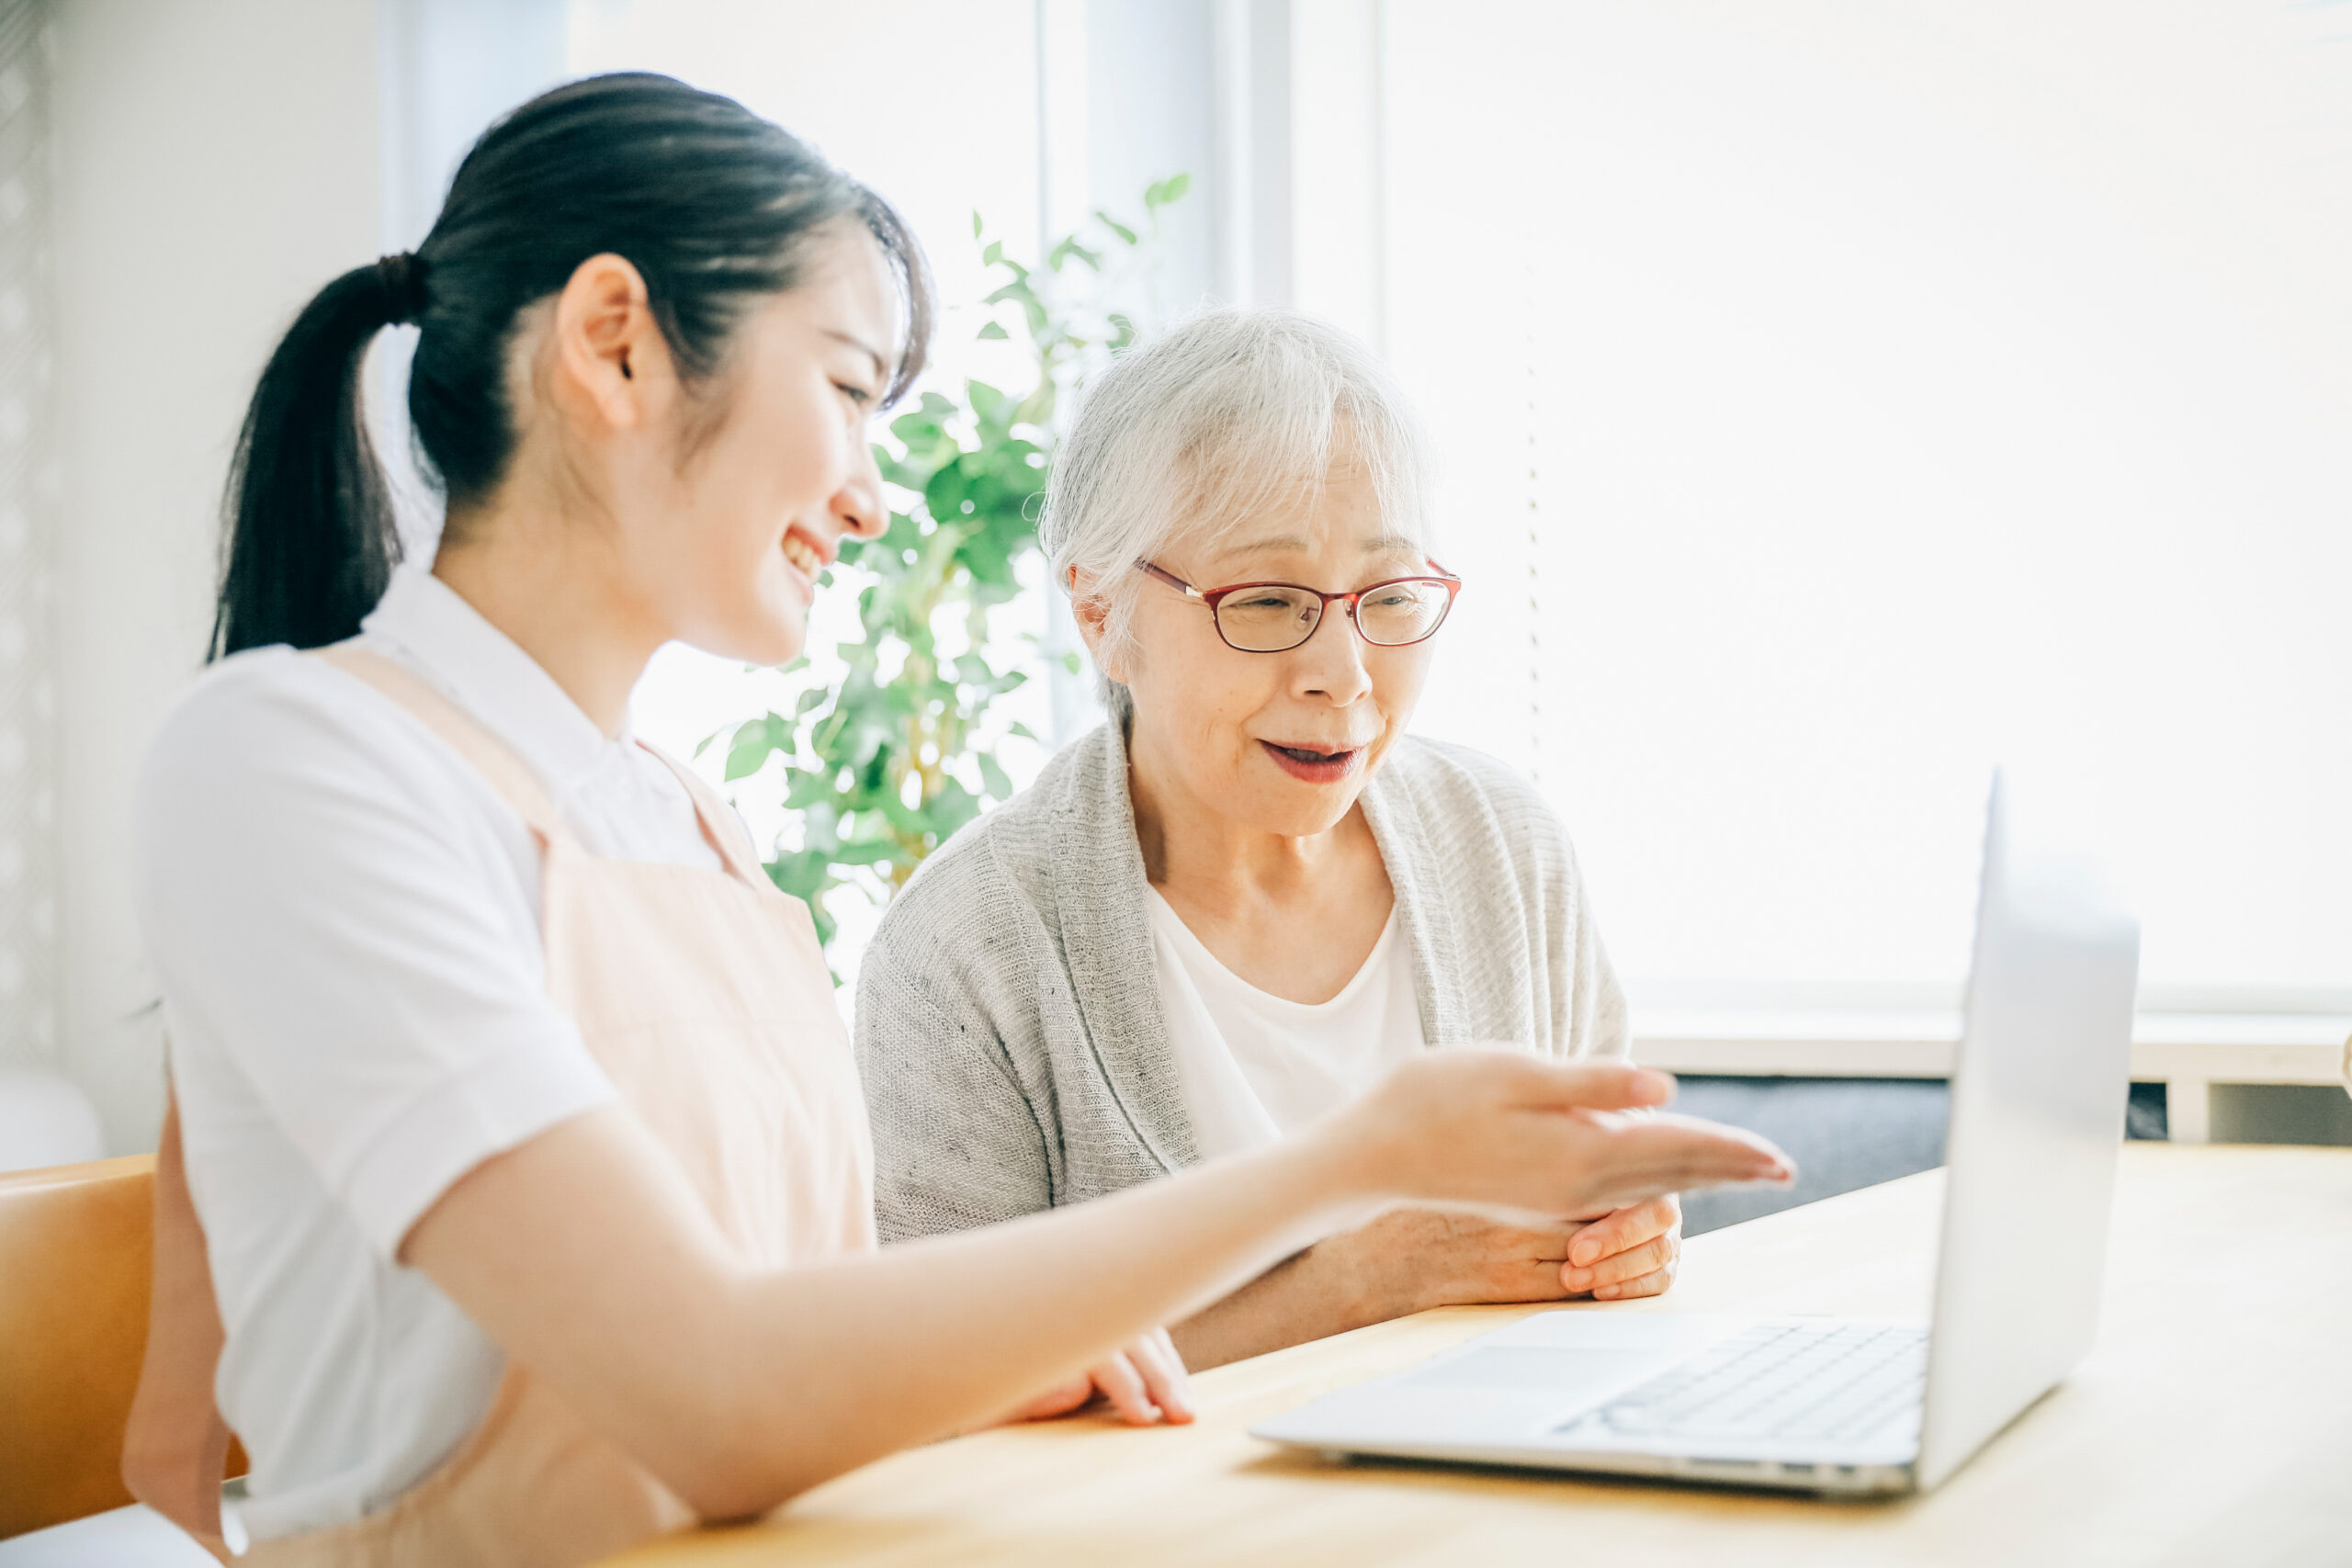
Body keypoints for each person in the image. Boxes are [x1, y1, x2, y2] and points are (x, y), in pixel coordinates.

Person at [127, 73, 1791, 1568]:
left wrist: (1021, 1354)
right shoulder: (292, 758)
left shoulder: (680, 826)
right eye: (848, 388)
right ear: (615, 340)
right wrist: (1358, 1172)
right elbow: (712, 1391)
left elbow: (801, 1343)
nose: (867, 489)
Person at [859, 310, 1683, 1370]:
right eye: (1268, 601)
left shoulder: (1504, 849)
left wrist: (1616, 1243)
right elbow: (948, 1377)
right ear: (1101, 614)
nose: (1342, 674)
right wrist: (1367, 1279)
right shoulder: (964, 949)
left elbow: (1592, 1215)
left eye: (1385, 596)